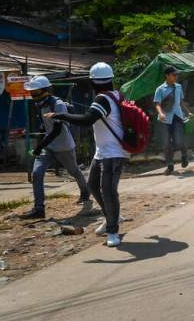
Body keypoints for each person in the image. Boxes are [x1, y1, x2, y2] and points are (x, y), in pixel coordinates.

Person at [46, 62, 131, 247]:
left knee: (108, 190)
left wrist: (60, 116)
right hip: (103, 151)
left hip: (113, 153)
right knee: (93, 185)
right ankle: (111, 216)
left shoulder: (102, 99)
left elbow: (87, 120)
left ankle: (113, 230)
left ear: (94, 83)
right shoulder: (116, 95)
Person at [19, 76, 90, 220]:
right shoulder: (41, 104)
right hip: (48, 146)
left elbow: (57, 130)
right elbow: (47, 126)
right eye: (32, 92)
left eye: (36, 91)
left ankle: (85, 192)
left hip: (63, 145)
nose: (33, 95)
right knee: (37, 173)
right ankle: (39, 208)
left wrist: (39, 146)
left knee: (74, 171)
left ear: (46, 90)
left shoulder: (58, 105)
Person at [153, 65, 192, 175]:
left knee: (179, 141)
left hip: (178, 117)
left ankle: (184, 155)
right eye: (173, 75)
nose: (175, 76)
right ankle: (170, 165)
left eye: (176, 75)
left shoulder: (178, 87)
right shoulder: (160, 89)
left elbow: (180, 102)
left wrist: (187, 112)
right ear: (167, 75)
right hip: (165, 119)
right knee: (166, 144)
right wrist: (160, 113)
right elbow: (157, 104)